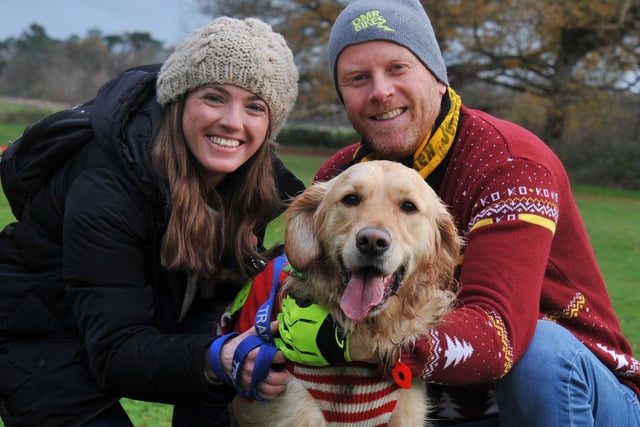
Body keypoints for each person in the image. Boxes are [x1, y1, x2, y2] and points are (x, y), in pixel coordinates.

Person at [274, 0, 640, 425]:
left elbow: (498, 335)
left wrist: (356, 344)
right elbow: (301, 285)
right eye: (357, 78)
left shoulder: (509, 164)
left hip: (578, 396)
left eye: (397, 68)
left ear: (436, 76)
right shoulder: (339, 178)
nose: (380, 92)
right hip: (437, 405)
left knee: (542, 351)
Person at [0, 17, 304, 427]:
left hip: (136, 334)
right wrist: (217, 357)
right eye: (214, 97)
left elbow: (210, 303)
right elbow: (116, 350)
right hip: (36, 338)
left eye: (255, 106)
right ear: (178, 99)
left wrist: (232, 351)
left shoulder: (252, 188)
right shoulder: (105, 185)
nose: (234, 122)